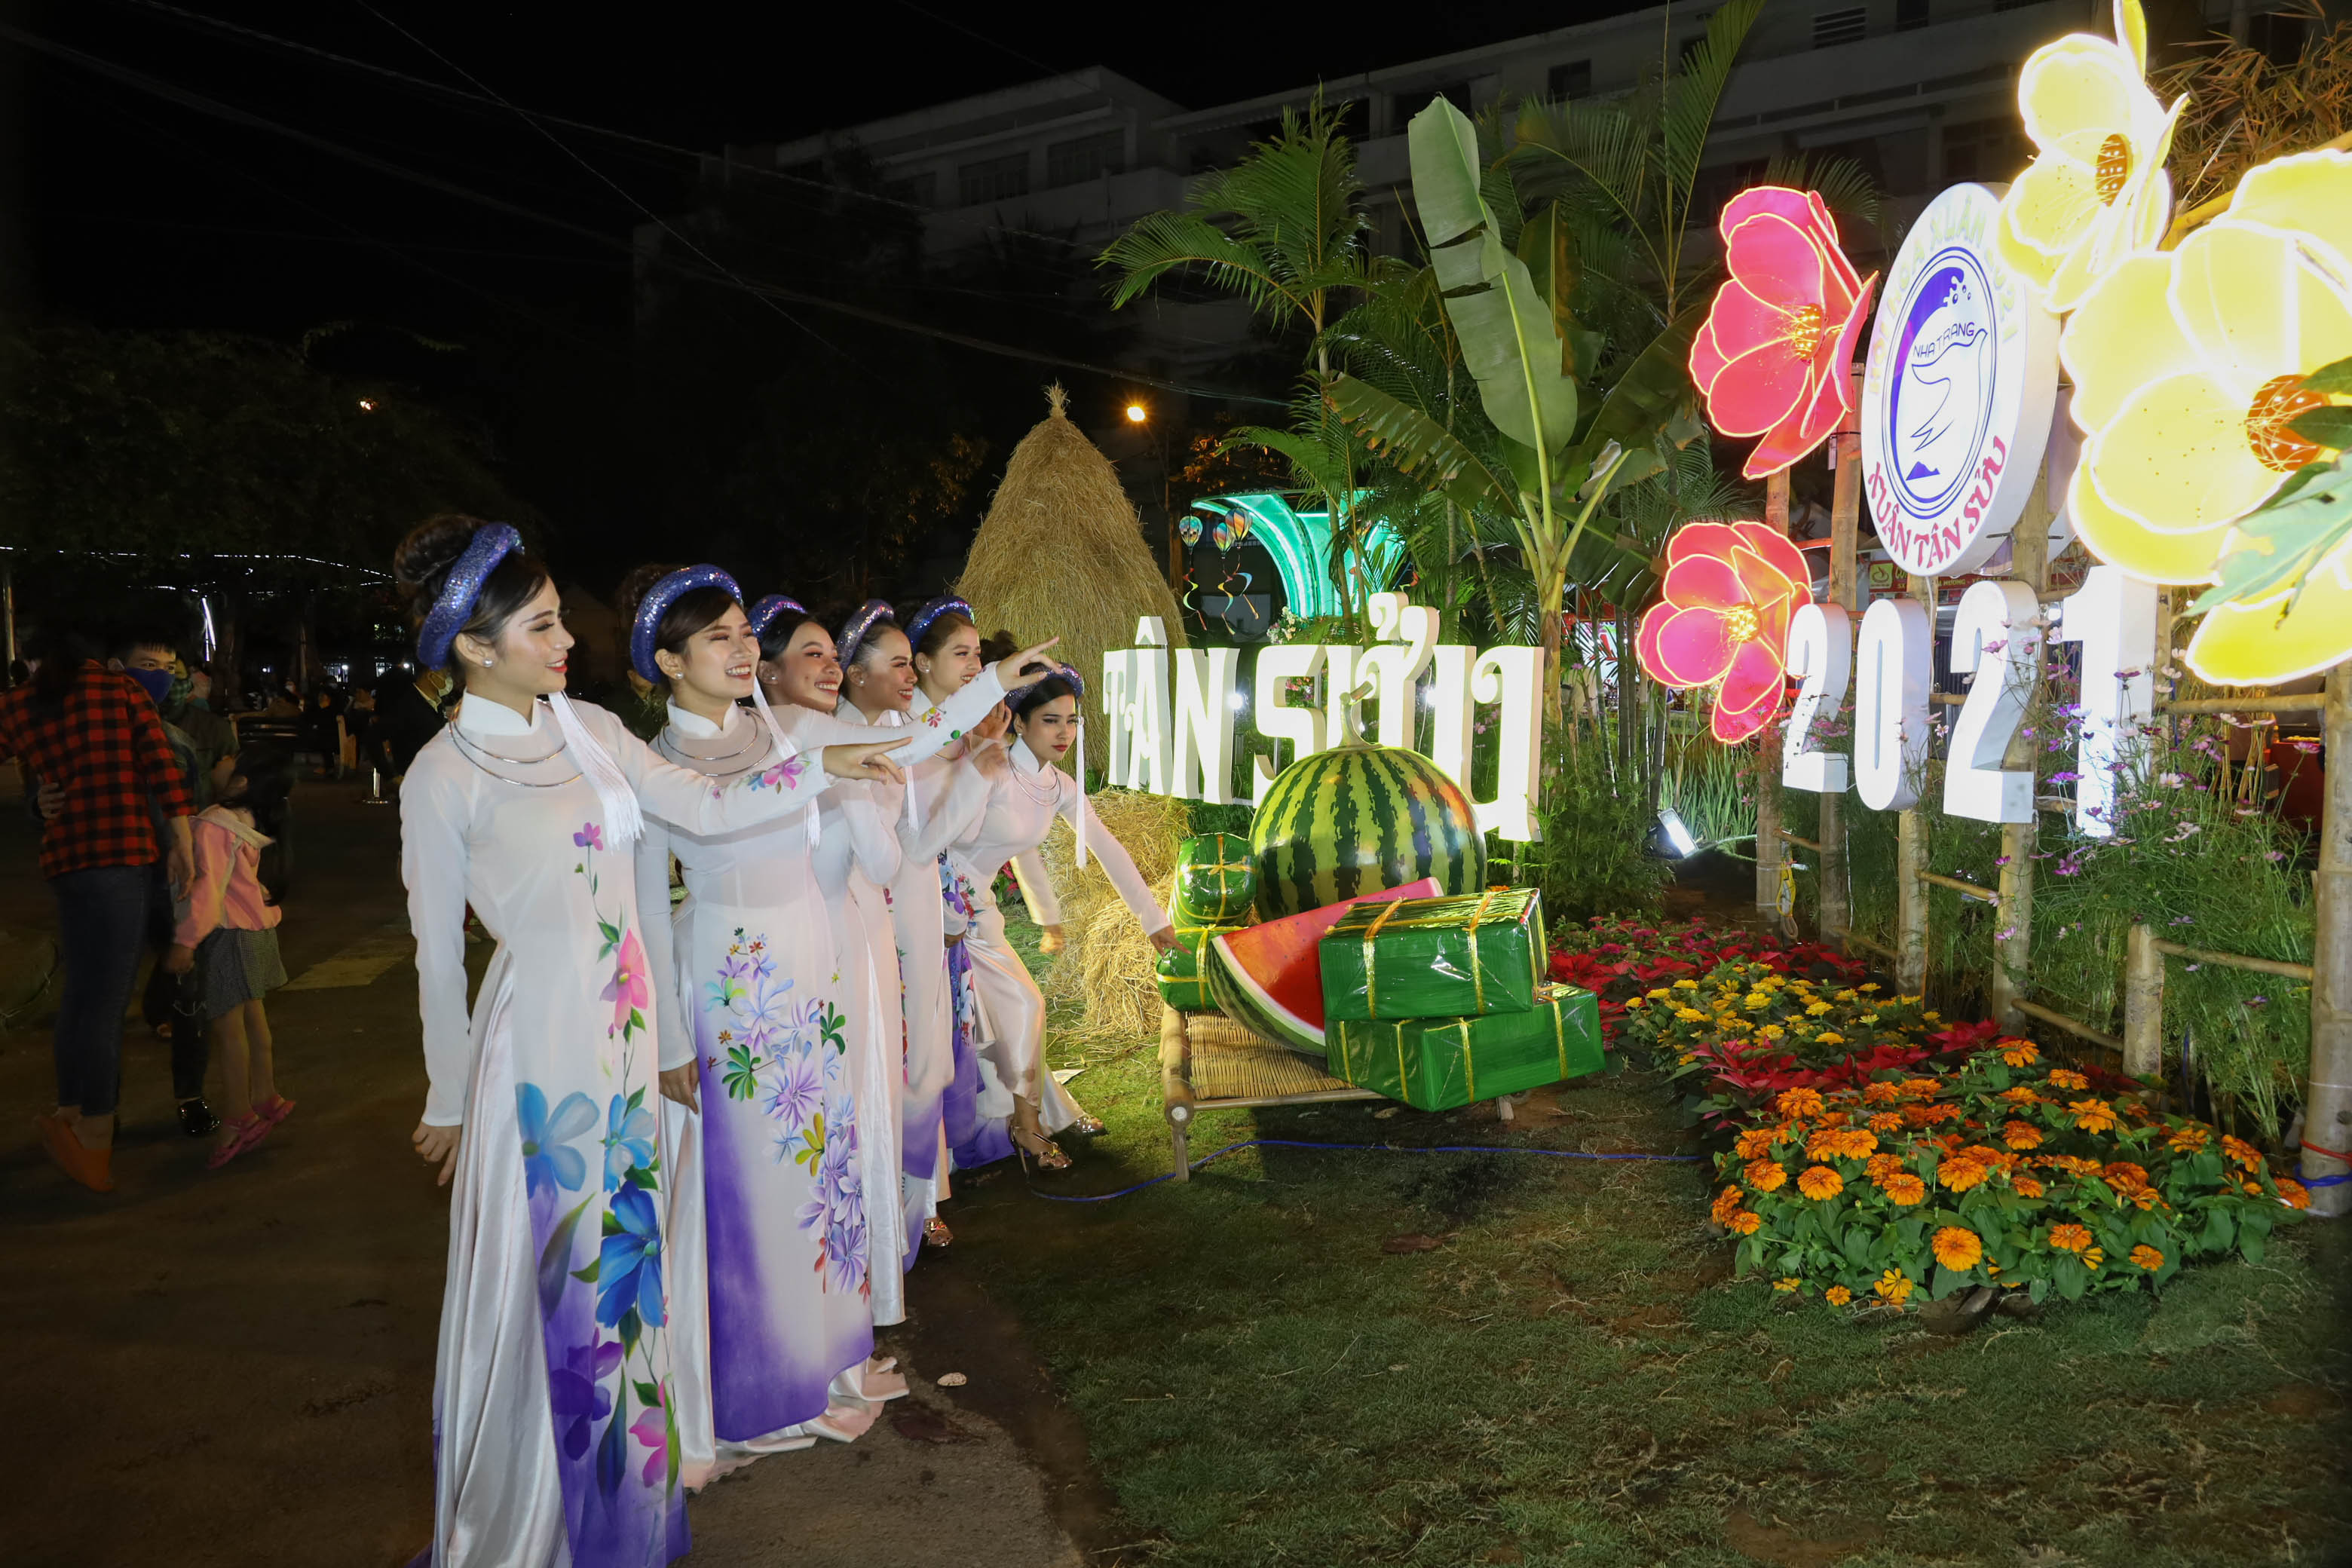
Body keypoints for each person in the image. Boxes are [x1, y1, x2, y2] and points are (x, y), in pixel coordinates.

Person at [392, 516, 905, 1568]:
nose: (563, 636)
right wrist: (448, 1098)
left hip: (622, 1038)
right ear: (476, 645)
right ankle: (530, 1525)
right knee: (562, 1281)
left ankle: (625, 1517)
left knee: (626, 1277)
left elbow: (706, 812)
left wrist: (835, 757)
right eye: (540, 625)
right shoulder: (441, 779)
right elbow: (437, 959)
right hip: (538, 1052)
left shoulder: (589, 729)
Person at [621, 563, 908, 1477]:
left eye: (749, 633)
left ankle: (828, 1365)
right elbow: (639, 910)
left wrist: (992, 688)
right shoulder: (654, 769)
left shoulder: (786, 729)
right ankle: (759, 1394)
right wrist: (668, 1041)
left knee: (825, 1180)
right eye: (721, 638)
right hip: (730, 983)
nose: (746, 650)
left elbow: (916, 726)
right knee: (755, 1197)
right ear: (668, 662)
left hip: (812, 967)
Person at [946, 660, 1176, 1170]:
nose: (1065, 732)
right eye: (1050, 720)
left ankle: (1040, 1114)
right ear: (1018, 721)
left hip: (978, 912)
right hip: (944, 908)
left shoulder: (1058, 786)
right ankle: (1025, 1129)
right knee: (1022, 1008)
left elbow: (1106, 848)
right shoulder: (989, 769)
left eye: (1071, 720)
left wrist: (1153, 919)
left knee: (1012, 1014)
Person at [0, 618, 195, 1193]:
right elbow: (161, 766)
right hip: (123, 857)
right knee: (107, 1004)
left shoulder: (18, 703)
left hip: (67, 864)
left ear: (36, 660)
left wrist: (42, 795)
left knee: (80, 997)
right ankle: (94, 1136)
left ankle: (68, 1112)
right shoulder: (120, 692)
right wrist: (181, 841)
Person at [167, 744, 296, 1169]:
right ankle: (267, 1095)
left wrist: (186, 941)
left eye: (229, 758)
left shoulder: (215, 826)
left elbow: (208, 890)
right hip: (256, 931)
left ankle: (238, 1116)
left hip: (229, 936)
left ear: (241, 781)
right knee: (254, 1019)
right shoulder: (246, 821)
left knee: (229, 1031)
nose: (219, 759)